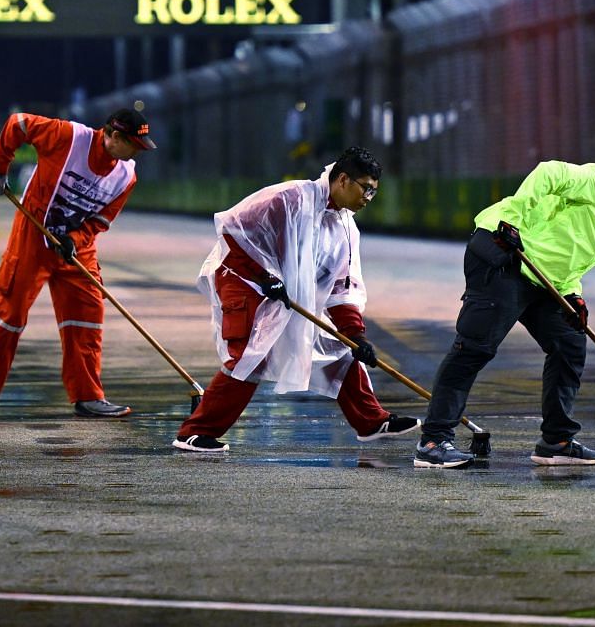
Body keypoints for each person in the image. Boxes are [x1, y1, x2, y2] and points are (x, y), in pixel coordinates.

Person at [414, 158, 595, 469]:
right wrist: (511, 219)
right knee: (475, 346)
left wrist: (573, 296)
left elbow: (568, 262)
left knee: (569, 344)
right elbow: (549, 172)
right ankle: (433, 441)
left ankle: (557, 441)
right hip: (504, 251)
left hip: (538, 274)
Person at [171, 147, 417, 454]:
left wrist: (355, 335)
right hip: (243, 280)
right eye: (365, 188)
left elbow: (341, 288)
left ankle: (370, 421)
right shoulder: (289, 198)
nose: (369, 197)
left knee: (338, 347)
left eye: (374, 192)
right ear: (342, 179)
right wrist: (263, 277)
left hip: (282, 291)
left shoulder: (345, 228)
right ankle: (195, 432)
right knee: (251, 355)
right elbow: (233, 231)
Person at [0, 107, 152, 418]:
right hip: (33, 236)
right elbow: (17, 123)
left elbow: (102, 219)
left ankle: (88, 397)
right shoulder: (68, 137)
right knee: (11, 315)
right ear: (113, 136)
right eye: (133, 145)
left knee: (87, 316)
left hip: (75, 248)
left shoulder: (126, 176)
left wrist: (76, 239)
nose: (136, 154)